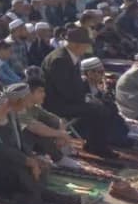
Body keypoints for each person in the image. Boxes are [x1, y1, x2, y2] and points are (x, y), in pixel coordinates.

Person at [40, 27, 118, 157]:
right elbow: (64, 89)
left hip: (68, 99)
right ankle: (98, 147)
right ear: (76, 44)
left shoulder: (69, 56)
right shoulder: (60, 59)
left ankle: (98, 142)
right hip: (56, 104)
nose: (87, 48)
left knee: (104, 105)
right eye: (85, 45)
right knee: (98, 109)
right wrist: (85, 99)